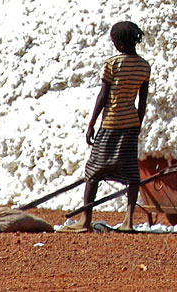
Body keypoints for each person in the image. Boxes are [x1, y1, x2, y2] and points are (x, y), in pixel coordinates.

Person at [61, 21, 151, 233]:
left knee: (94, 171)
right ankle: (128, 221)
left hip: (110, 123)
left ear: (118, 43)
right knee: (131, 173)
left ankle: (85, 219)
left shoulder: (112, 64)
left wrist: (92, 122)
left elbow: (103, 95)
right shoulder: (144, 66)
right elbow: (143, 101)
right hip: (130, 124)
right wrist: (138, 123)